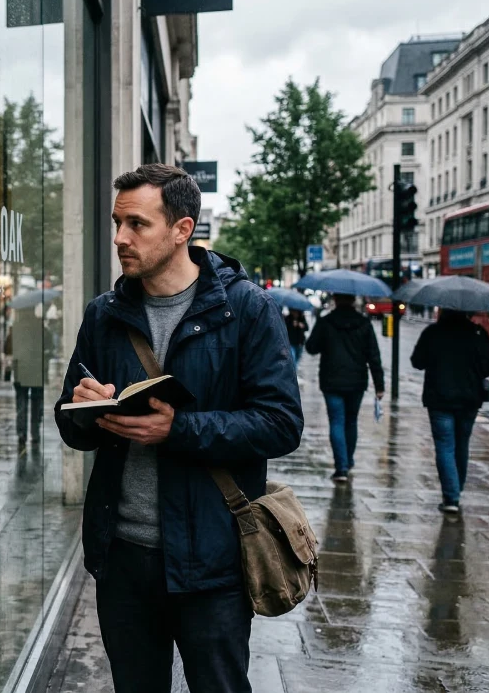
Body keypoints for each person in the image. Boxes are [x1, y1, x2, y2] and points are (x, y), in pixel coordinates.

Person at [55, 164, 303, 693]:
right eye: (117, 222)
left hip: (212, 562)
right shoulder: (105, 315)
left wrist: (179, 429)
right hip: (122, 558)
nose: (120, 237)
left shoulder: (246, 309)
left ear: (182, 230)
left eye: (137, 224)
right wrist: (85, 409)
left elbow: (281, 424)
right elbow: (69, 427)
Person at [411, 309, 489, 513]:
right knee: (461, 444)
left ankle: (451, 497)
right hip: (469, 399)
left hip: (439, 398)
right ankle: (455, 490)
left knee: (445, 446)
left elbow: (417, 361)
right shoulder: (477, 333)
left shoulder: (433, 332)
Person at [304, 293, 385, 482]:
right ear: (353, 299)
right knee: (351, 421)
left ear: (335, 299)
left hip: (331, 380)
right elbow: (373, 355)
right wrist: (379, 385)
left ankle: (341, 468)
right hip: (356, 381)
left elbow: (311, 347)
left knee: (336, 421)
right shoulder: (364, 323)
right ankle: (347, 461)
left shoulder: (326, 322)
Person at [7, 303, 54, 453]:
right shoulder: (40, 327)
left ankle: (21, 434)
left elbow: (7, 348)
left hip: (21, 370)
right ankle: (35, 433)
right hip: (36, 370)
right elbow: (50, 346)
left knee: (21, 404)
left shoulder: (16, 328)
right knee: (36, 402)